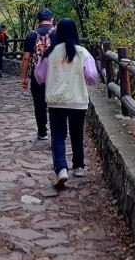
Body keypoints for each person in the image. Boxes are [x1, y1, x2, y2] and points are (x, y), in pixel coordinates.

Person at [34, 18, 98, 188]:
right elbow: (92, 77)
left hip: (56, 101)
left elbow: (39, 77)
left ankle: (61, 169)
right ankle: (78, 166)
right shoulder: (83, 52)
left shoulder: (50, 53)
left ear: (58, 32)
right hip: (77, 100)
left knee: (58, 136)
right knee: (77, 133)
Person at [20, 8, 56, 140]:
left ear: (38, 21)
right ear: (52, 19)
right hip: (55, 74)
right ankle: (55, 131)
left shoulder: (31, 35)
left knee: (39, 103)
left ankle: (42, 131)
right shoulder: (57, 33)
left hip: (37, 75)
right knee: (55, 103)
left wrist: (23, 77)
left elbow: (26, 58)